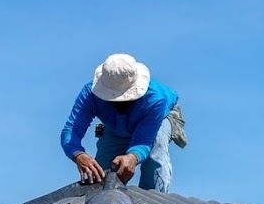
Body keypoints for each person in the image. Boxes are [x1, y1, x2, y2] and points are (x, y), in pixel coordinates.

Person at [60, 53, 186, 193]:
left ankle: (154, 200)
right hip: (116, 127)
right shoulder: (90, 94)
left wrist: (132, 156)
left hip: (159, 120)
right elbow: (71, 131)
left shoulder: (156, 99)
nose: (120, 104)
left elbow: (143, 141)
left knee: (156, 146)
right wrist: (78, 154)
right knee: (101, 178)